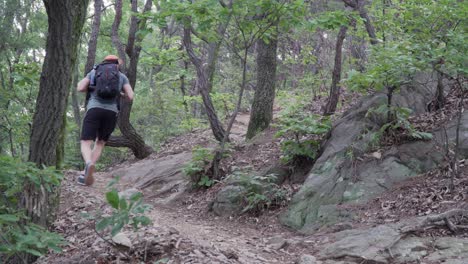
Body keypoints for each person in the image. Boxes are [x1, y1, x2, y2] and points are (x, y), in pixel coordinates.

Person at [76, 55, 134, 186]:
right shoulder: (121, 77)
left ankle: (88, 164)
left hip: (94, 109)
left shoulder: (94, 72)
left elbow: (80, 87)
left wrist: (91, 87)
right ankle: (90, 168)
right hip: (111, 112)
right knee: (100, 142)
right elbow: (130, 96)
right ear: (117, 64)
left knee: (86, 142)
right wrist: (120, 93)